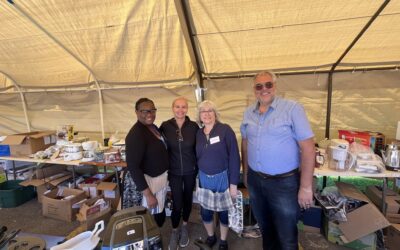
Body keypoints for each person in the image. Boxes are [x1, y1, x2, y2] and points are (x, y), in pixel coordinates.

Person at [240, 71, 315, 250]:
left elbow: (308, 148)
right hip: (256, 181)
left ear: (275, 86)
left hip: (284, 183)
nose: (264, 89)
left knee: (287, 237)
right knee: (266, 231)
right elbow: (245, 143)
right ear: (254, 89)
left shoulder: (292, 108)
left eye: (268, 85)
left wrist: (305, 187)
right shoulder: (248, 112)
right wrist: (246, 173)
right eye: (259, 86)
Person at [195, 100, 240, 250]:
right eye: (203, 111)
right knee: (206, 212)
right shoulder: (198, 134)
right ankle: (211, 236)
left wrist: (233, 184)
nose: (207, 114)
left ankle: (223, 241)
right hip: (203, 179)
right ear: (199, 116)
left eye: (210, 110)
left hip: (222, 178)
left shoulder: (225, 130)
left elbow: (234, 157)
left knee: (223, 213)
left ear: (215, 113)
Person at [160, 97, 199, 250]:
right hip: (174, 171)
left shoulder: (194, 126)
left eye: (183, 107)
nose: (180, 110)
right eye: (177, 107)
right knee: (177, 203)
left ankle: (184, 227)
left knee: (188, 199)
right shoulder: (165, 126)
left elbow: (201, 146)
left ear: (187, 109)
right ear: (172, 108)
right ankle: (174, 231)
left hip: (190, 170)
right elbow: (157, 144)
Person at [123, 97, 169, 227]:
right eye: (144, 111)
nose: (149, 114)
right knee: (148, 221)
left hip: (159, 181)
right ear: (137, 112)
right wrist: (148, 195)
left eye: (152, 110)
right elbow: (133, 167)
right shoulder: (136, 134)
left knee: (158, 216)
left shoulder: (152, 127)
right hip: (148, 185)